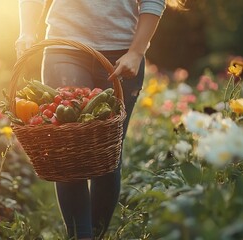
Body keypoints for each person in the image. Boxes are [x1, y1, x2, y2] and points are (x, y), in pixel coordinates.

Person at [15, 0, 186, 239]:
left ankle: (95, 234)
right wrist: (27, 31)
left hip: (124, 53)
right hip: (65, 46)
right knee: (69, 152)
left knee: (107, 156)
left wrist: (136, 52)